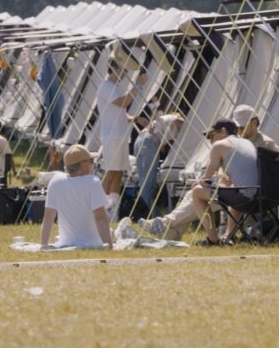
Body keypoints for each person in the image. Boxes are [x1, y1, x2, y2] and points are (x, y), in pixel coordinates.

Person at [136, 119, 257, 245]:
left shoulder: (221, 145)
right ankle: (172, 232)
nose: (210, 141)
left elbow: (206, 179)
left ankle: (211, 239)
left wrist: (197, 183)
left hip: (242, 196)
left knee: (196, 191)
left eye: (212, 135)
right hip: (258, 195)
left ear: (223, 131)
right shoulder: (246, 144)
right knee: (198, 194)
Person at [96, 61, 147, 212]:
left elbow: (120, 113)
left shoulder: (114, 87)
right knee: (111, 170)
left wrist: (136, 119)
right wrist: (137, 85)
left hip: (120, 136)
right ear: (114, 69)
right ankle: (98, 207)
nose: (125, 74)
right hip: (112, 136)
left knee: (119, 171)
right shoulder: (106, 86)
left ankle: (112, 207)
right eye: (122, 70)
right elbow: (123, 103)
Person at [40, 145, 114, 249]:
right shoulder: (92, 182)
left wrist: (43, 245)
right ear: (83, 164)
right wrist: (109, 246)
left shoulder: (55, 181)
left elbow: (48, 217)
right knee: (112, 232)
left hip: (65, 244)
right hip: (92, 244)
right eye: (90, 161)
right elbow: (100, 218)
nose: (92, 164)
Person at [132, 113, 184, 211]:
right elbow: (185, 124)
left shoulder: (164, 122)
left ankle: (147, 210)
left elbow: (161, 144)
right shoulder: (178, 121)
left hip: (141, 140)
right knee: (149, 181)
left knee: (144, 180)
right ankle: (146, 212)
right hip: (150, 142)